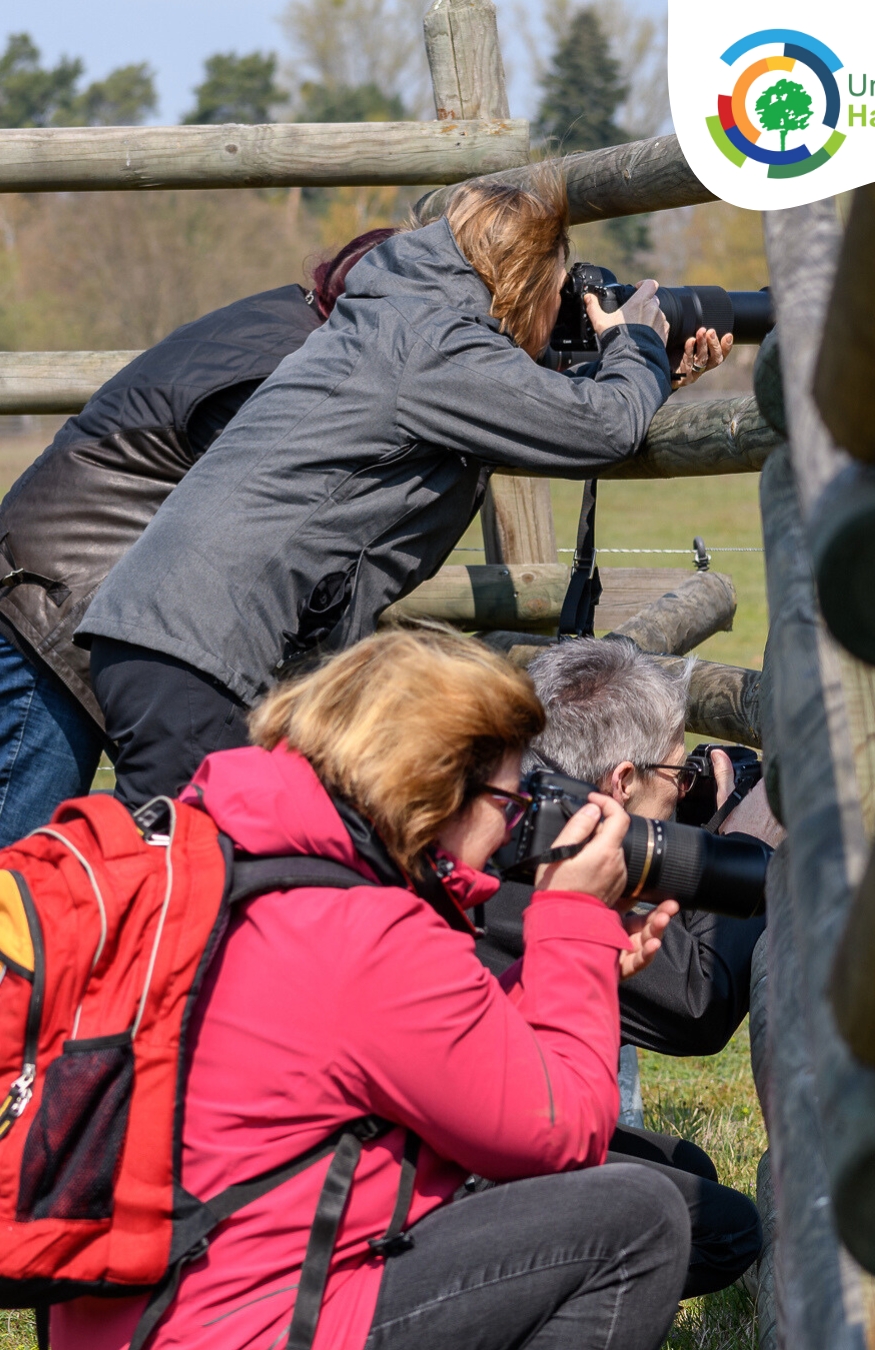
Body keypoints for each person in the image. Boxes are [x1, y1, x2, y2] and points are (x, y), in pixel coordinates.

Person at [51, 627, 690, 1350]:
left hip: (139, 1313)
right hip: (235, 1328)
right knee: (635, 1220)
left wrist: (564, 969)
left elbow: (422, 1053)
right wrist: (572, 919)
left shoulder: (239, 850)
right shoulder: (363, 928)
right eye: (508, 800)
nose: (515, 827)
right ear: (440, 786)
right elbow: (564, 1131)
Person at [76, 170, 731, 810]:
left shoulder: (405, 315)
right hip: (202, 647)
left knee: (214, 866)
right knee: (187, 884)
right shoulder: (434, 344)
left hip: (176, 633)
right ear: (526, 280)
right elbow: (601, 428)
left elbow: (541, 411)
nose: (559, 312)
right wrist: (636, 338)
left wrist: (645, 378)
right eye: (555, 294)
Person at [0, 228, 397, 846]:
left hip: (46, 577)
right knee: (15, 853)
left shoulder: (280, 321)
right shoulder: (294, 365)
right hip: (53, 608)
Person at [474, 637, 782, 1299]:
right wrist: (742, 839)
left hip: (487, 1122)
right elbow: (700, 1002)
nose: (682, 793)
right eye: (675, 777)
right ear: (619, 781)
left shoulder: (516, 824)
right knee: (719, 1227)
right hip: (450, 1174)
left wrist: (692, 825)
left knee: (686, 1165)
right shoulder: (546, 876)